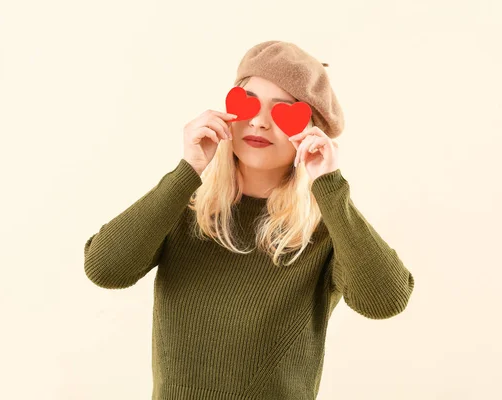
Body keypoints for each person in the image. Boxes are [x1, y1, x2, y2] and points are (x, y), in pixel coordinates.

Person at [84, 40, 415, 400]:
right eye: (249, 103)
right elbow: (105, 269)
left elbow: (385, 301)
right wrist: (188, 171)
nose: (258, 121)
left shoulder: (325, 232)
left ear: (310, 131)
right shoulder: (183, 209)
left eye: (284, 111)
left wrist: (329, 185)